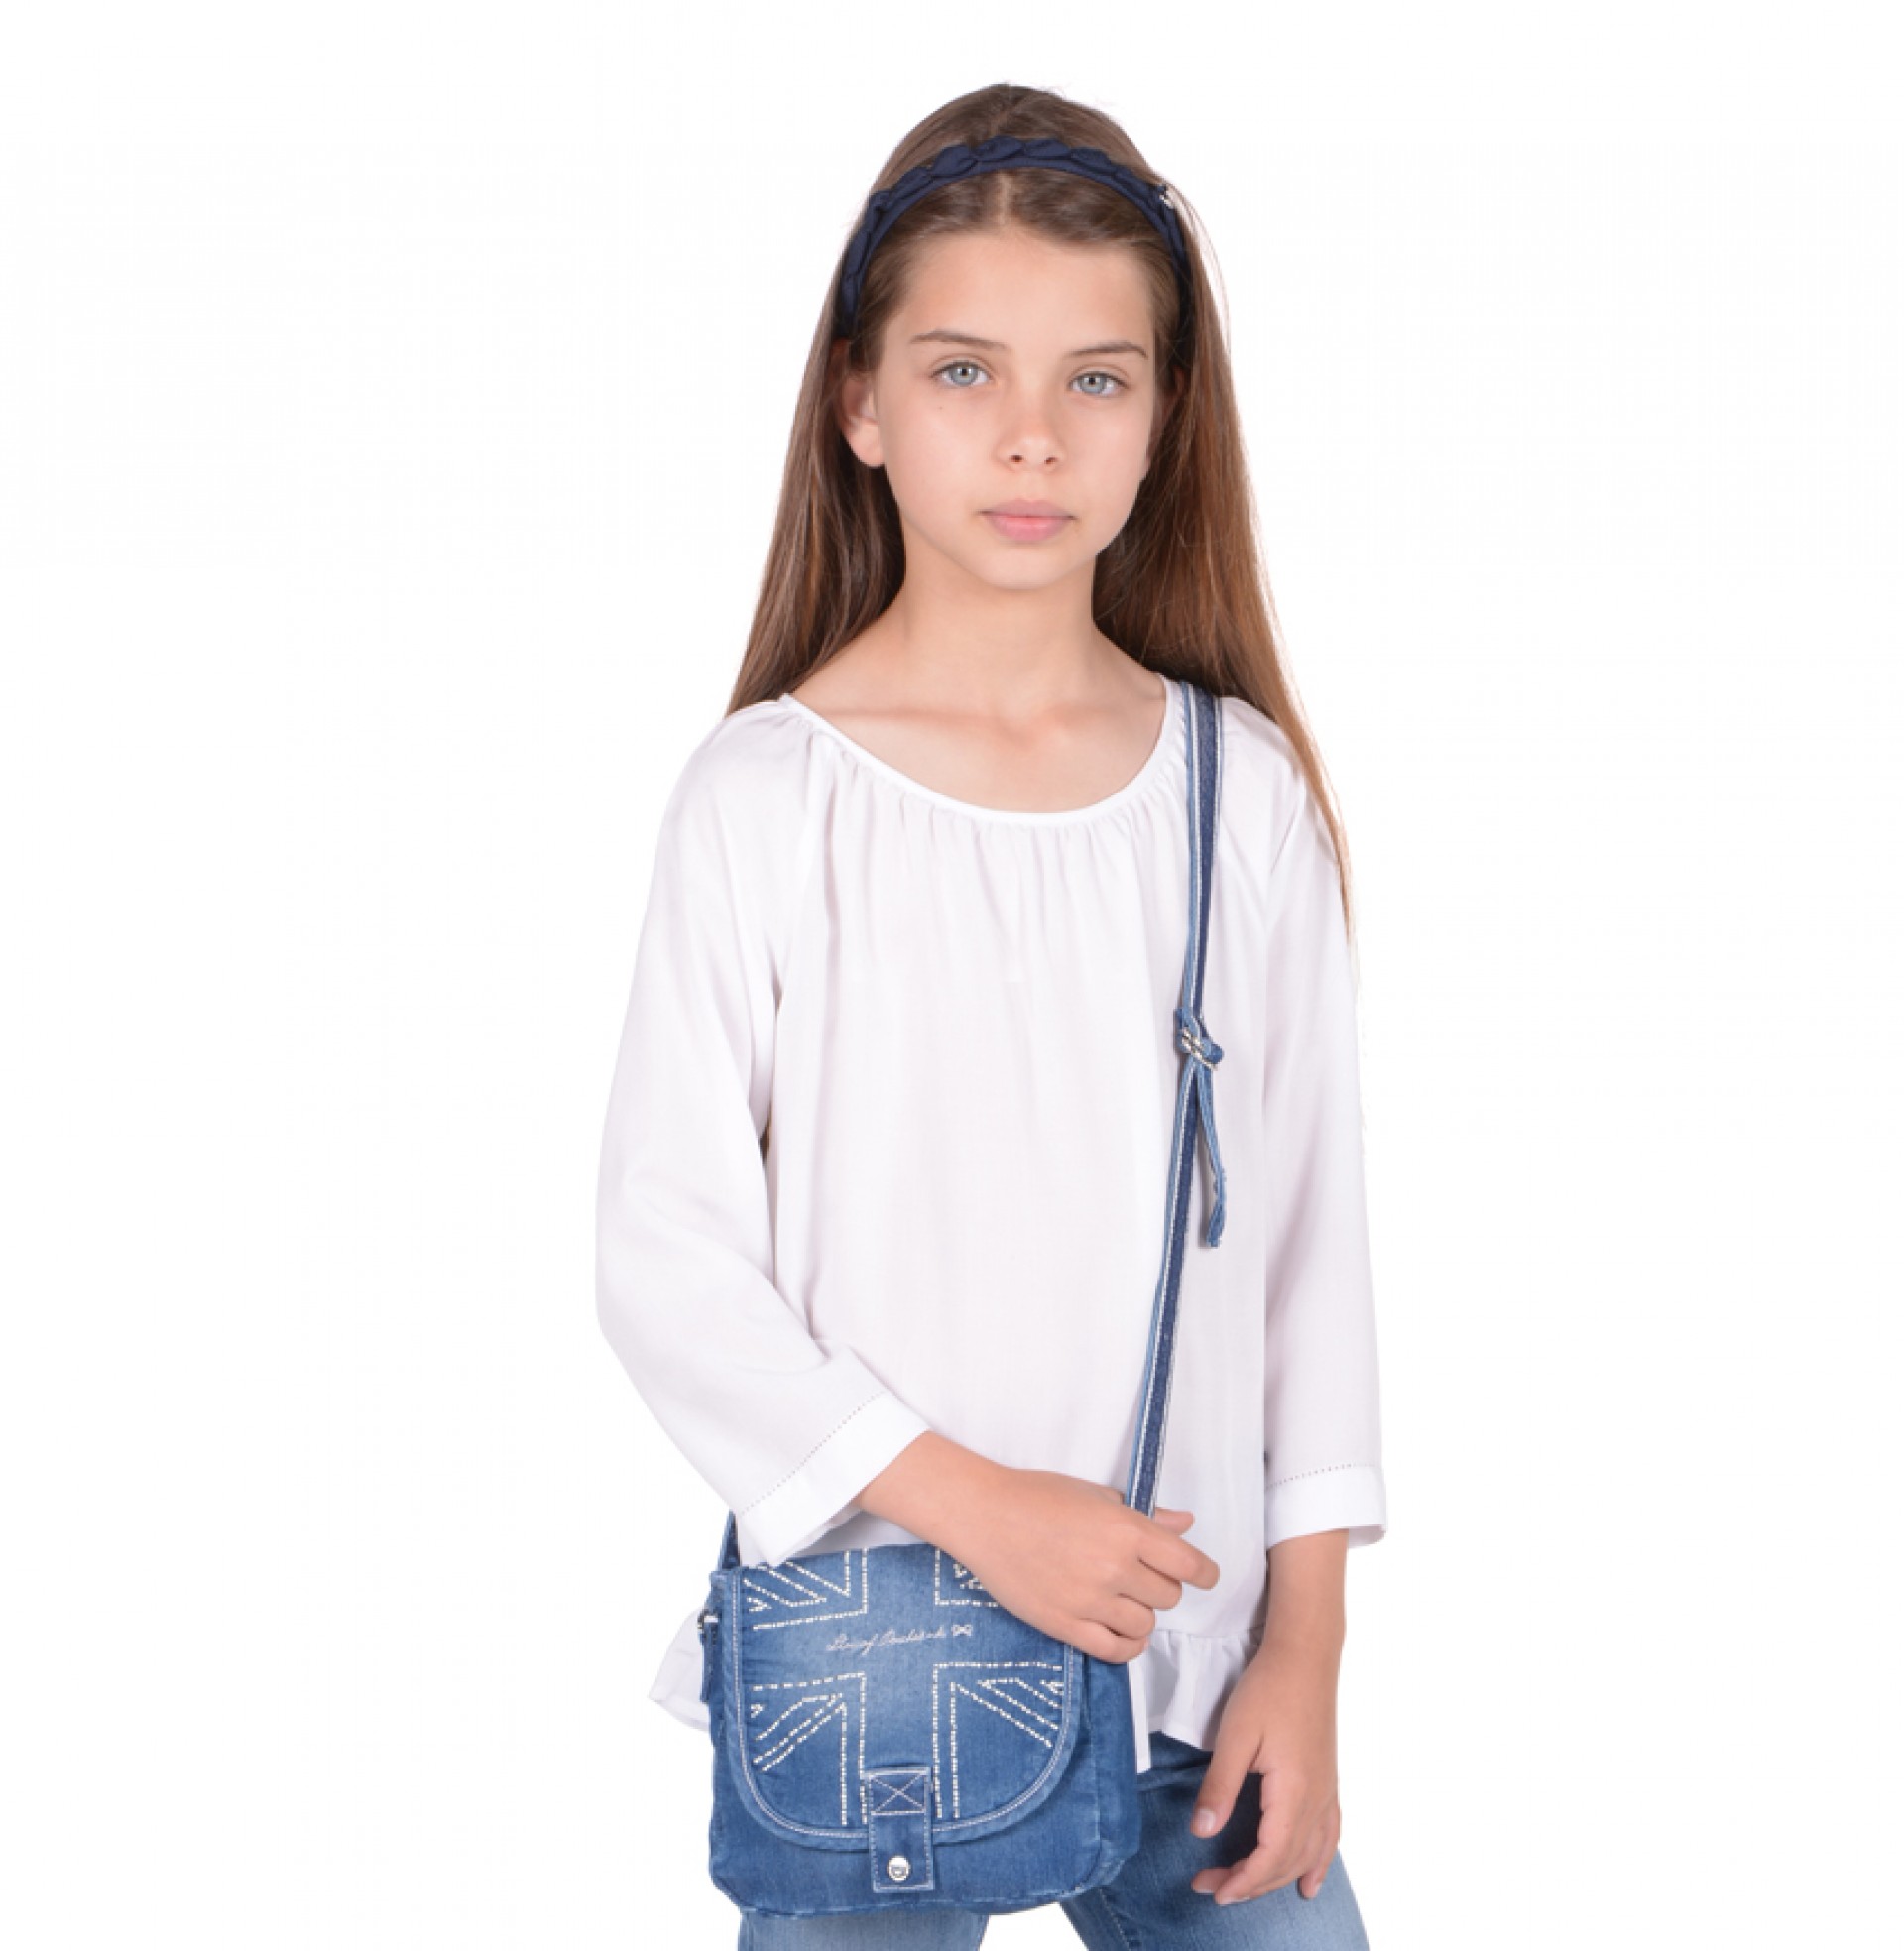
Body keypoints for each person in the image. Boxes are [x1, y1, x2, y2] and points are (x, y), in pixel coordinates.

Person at [595, 81, 1388, 1948]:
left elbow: (1308, 1260)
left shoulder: (1236, 794)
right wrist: (977, 1507)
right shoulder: (769, 798)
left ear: (1163, 421)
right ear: (860, 405)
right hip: (876, 1677)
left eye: (1097, 379)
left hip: (1192, 1674)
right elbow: (666, 1259)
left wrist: (1308, 1651)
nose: (1033, 435)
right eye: (964, 372)